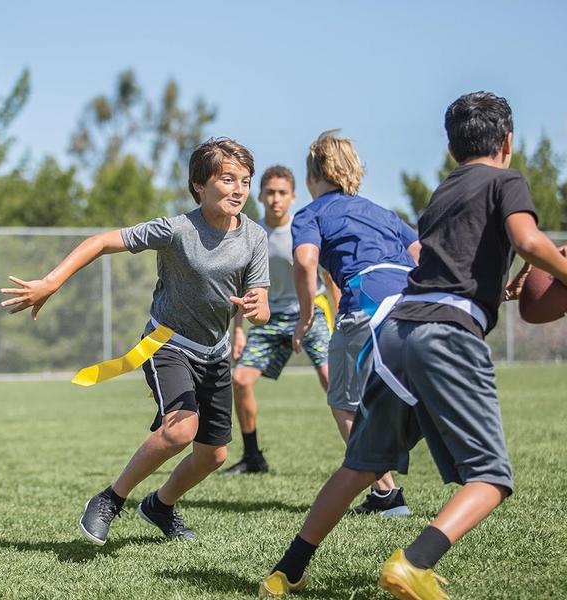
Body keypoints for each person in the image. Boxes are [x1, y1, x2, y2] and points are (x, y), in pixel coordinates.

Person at [258, 92, 567, 599]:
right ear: (507, 142)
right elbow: (530, 240)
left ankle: (287, 570)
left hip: (397, 333)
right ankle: (414, 562)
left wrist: (502, 285)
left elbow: (448, 265)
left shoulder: (444, 192)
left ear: (451, 149)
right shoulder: (505, 180)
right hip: (445, 335)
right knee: (491, 477)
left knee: (360, 464)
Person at [2, 138, 270, 545]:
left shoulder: (254, 237)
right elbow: (101, 242)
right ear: (199, 184)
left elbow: (262, 305)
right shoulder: (178, 229)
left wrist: (256, 309)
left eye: (245, 182)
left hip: (214, 354)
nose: (238, 190)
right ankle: (109, 499)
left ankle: (159, 506)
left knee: (213, 455)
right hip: (168, 342)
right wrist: (51, 282)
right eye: (227, 179)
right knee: (180, 431)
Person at [288, 131, 421, 517]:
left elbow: (305, 261)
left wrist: (306, 313)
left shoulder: (312, 213)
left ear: (314, 174)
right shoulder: (382, 212)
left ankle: (386, 495)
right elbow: (422, 254)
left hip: (364, 306)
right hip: (413, 304)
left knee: (343, 401)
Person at [224, 165, 333, 475]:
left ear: (293, 197)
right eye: (270, 192)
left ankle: (364, 460)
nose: (275, 199)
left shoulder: (305, 232)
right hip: (267, 320)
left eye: (282, 193)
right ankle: (252, 457)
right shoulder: (250, 233)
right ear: (260, 195)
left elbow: (330, 278)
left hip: (309, 316)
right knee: (240, 380)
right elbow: (242, 287)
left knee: (333, 383)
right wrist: (239, 331)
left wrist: (338, 324)